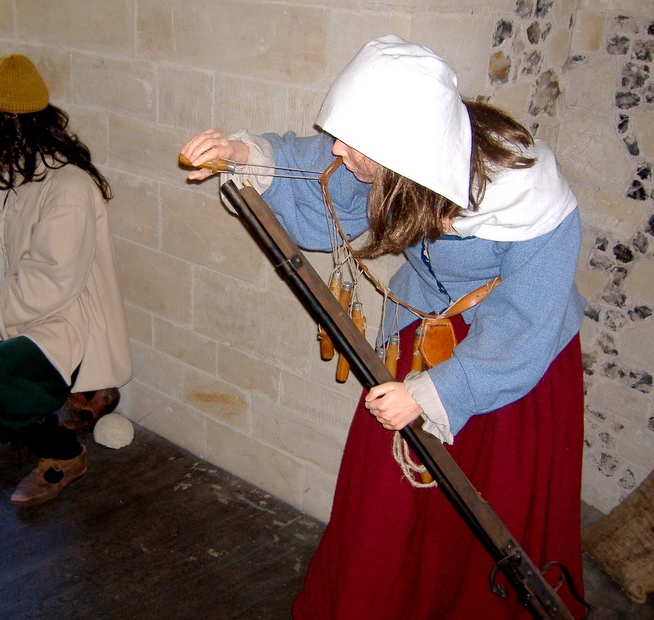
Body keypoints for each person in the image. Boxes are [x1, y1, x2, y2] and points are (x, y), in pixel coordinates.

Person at [181, 35, 586, 618]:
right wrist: (240, 154)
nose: (340, 149)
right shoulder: (404, 158)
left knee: (486, 513)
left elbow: (528, 321)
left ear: (403, 150)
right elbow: (325, 177)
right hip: (420, 340)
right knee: (384, 508)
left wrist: (439, 393)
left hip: (510, 369)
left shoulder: (534, 200)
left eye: (356, 142)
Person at [0, 54, 132, 507]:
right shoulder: (30, 170)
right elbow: (23, 252)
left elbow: (51, 281)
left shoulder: (68, 186)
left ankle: (63, 454)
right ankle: (75, 401)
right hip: (40, 315)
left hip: (66, 328)